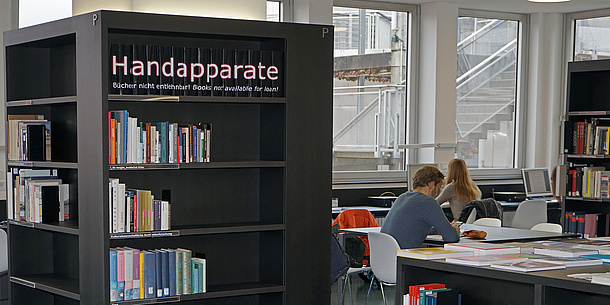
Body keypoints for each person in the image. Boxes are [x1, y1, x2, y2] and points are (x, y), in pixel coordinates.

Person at [381, 165, 460, 249]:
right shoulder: (428, 202)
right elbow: (451, 237)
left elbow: (415, 228)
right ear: (431, 185)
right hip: (403, 257)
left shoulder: (402, 197)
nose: (438, 193)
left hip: (384, 256)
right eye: (439, 188)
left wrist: (438, 230)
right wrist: (454, 230)